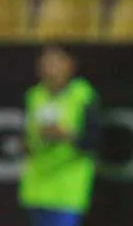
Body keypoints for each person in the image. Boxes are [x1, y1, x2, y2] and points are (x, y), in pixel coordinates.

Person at [19, 46, 101, 226]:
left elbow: (94, 140)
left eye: (55, 62)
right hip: (37, 185)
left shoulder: (83, 96)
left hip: (67, 185)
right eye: (45, 62)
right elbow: (29, 136)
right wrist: (26, 144)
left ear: (70, 65)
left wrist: (67, 136)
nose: (49, 68)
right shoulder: (34, 95)